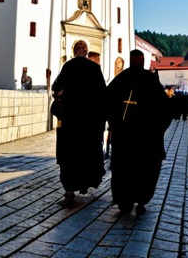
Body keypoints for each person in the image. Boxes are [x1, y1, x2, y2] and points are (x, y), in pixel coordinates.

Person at [107, 50, 172, 215]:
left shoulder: (120, 79)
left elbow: (105, 102)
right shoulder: (150, 80)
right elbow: (166, 109)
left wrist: (114, 125)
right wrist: (158, 130)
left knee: (124, 171)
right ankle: (141, 201)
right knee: (145, 170)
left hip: (125, 138)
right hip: (146, 139)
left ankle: (124, 203)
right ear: (142, 61)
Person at [51, 41, 107, 206]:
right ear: (86, 52)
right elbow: (103, 94)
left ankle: (69, 190)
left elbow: (56, 86)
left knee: (69, 155)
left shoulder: (68, 66)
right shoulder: (94, 68)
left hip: (70, 122)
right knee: (87, 154)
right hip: (90, 123)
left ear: (74, 51)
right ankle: (84, 184)